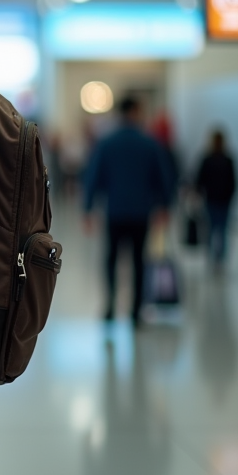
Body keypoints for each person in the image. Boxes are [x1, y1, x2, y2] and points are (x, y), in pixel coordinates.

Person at [83, 96, 174, 326]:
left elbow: (93, 177)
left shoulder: (106, 143)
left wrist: (87, 208)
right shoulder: (150, 143)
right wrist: (165, 206)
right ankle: (136, 311)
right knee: (138, 261)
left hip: (114, 212)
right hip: (141, 212)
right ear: (135, 111)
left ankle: (110, 306)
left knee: (111, 259)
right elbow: (163, 178)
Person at [195, 129, 237, 267]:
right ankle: (220, 258)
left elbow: (199, 180)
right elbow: (234, 182)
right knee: (223, 230)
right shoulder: (228, 159)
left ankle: (210, 256)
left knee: (210, 229)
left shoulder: (207, 159)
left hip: (211, 199)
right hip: (224, 200)